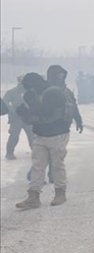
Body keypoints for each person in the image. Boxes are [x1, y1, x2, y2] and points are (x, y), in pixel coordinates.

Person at [14, 71, 78, 209]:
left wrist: (29, 108)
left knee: (57, 165)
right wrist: (26, 111)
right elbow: (27, 113)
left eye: (28, 86)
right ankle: (33, 197)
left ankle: (60, 193)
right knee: (37, 165)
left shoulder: (53, 92)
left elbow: (44, 111)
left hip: (57, 134)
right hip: (40, 133)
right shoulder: (32, 94)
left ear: (34, 84)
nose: (27, 90)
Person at [3, 76, 35, 160]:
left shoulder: (31, 92)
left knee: (32, 136)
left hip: (28, 117)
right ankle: (9, 153)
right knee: (14, 136)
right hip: (16, 118)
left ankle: (36, 153)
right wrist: (13, 110)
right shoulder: (12, 92)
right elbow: (4, 102)